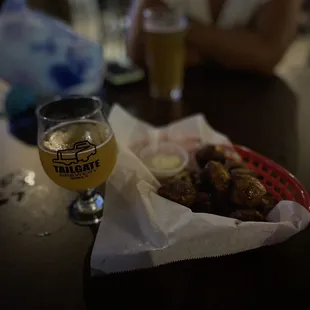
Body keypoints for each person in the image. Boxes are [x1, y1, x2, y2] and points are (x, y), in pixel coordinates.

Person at [127, 0, 302, 74]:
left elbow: (268, 55)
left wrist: (177, 28)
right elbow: (139, 51)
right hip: (170, 109)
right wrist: (237, 44)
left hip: (255, 111)